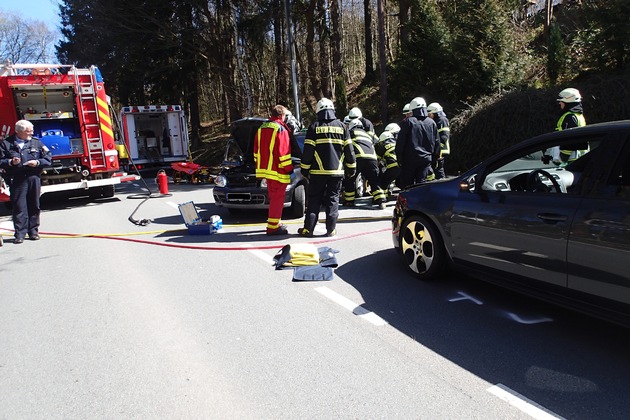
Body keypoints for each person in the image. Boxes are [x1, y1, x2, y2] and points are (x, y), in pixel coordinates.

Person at [298, 98, 355, 237]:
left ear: (318, 111)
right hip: (337, 172)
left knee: (314, 199)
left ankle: (308, 229)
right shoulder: (342, 127)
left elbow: (308, 151)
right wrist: (351, 168)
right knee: (333, 199)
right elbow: (349, 150)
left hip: (317, 173)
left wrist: (304, 170)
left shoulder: (314, 127)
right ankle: (331, 229)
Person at [0, 119, 52, 244]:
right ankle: (20, 234)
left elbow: (48, 158)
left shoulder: (36, 143)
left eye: (31, 131)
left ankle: (33, 231)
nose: (31, 133)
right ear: (18, 131)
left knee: (34, 205)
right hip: (17, 179)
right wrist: (10, 162)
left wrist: (37, 163)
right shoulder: (6, 144)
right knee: (19, 206)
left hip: (33, 177)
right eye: (28, 132)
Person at [253, 105, 294, 235]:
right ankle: (273, 227)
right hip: (278, 171)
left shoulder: (261, 128)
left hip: (266, 171)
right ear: (282, 115)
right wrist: (289, 169)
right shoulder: (281, 129)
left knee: (273, 198)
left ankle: (276, 222)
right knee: (277, 199)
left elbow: (255, 151)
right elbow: (284, 154)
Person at [395, 97, 439, 188]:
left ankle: (408, 201)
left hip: (409, 159)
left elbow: (401, 141)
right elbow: (436, 142)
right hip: (426, 159)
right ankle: (421, 201)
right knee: (421, 184)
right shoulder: (432, 123)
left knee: (407, 185)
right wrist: (435, 158)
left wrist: (399, 157)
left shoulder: (407, 122)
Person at [343, 119, 386, 209]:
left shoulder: (351, 132)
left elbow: (346, 145)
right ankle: (381, 200)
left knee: (350, 178)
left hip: (359, 157)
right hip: (372, 159)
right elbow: (378, 144)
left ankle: (349, 201)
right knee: (374, 180)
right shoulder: (367, 134)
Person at [552, 87, 587, 165]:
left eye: (561, 101)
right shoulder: (578, 115)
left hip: (570, 161)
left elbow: (569, 138)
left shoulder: (570, 117)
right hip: (578, 160)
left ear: (567, 102)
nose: (559, 103)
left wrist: (563, 157)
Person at [427, 102, 450, 179]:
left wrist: (438, 148)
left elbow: (444, 136)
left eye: (430, 114)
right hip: (437, 149)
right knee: (436, 168)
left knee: (438, 169)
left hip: (441, 150)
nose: (429, 116)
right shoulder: (436, 121)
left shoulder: (442, 120)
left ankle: (442, 184)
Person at [375, 130, 400, 198]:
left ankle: (384, 197)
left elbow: (377, 161)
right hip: (404, 166)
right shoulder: (397, 143)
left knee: (384, 181)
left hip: (393, 166)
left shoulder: (384, 146)